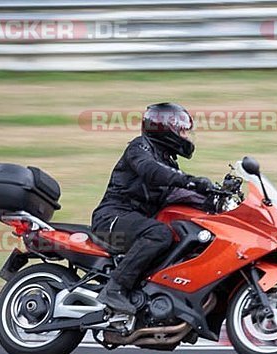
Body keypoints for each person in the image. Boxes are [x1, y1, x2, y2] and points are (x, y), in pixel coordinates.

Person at [91, 102, 213, 313]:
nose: (186, 136)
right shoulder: (140, 147)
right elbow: (151, 171)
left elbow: (178, 195)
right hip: (112, 217)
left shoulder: (169, 163)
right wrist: (191, 181)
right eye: (182, 131)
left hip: (136, 221)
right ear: (167, 128)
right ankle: (115, 289)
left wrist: (211, 198)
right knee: (160, 234)